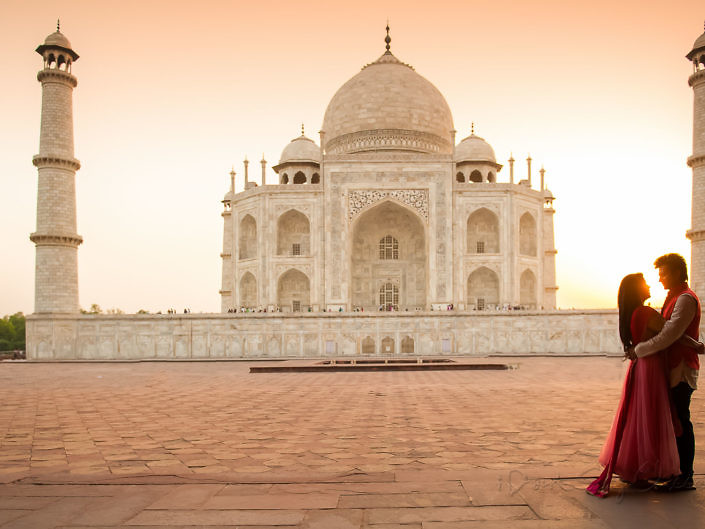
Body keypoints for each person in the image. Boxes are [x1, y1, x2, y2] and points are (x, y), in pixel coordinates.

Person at [587, 272, 701, 497]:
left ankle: (635, 470)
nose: (651, 285)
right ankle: (656, 469)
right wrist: (697, 345)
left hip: (639, 367)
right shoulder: (646, 312)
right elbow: (672, 334)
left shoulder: (633, 313)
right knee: (652, 418)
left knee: (638, 418)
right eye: (645, 284)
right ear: (638, 290)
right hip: (651, 368)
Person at [628, 254, 702, 491]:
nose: (660, 279)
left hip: (681, 368)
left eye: (664, 273)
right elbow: (675, 332)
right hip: (673, 366)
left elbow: (669, 335)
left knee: (681, 419)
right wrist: (697, 344)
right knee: (674, 420)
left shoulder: (685, 299)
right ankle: (676, 473)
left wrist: (640, 349)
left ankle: (685, 476)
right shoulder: (675, 298)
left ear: (678, 273)